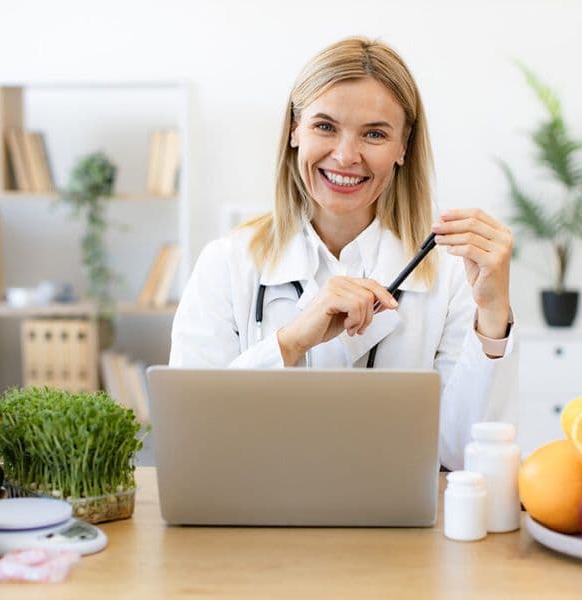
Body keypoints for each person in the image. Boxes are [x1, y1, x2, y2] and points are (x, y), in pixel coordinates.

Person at [170, 37, 517, 469]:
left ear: (403, 148)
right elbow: (193, 435)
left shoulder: (449, 274)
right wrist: (291, 343)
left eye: (374, 133)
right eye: (325, 126)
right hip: (257, 522)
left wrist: (493, 312)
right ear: (295, 130)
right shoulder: (226, 263)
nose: (346, 156)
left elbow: (462, 454)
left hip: (399, 528)